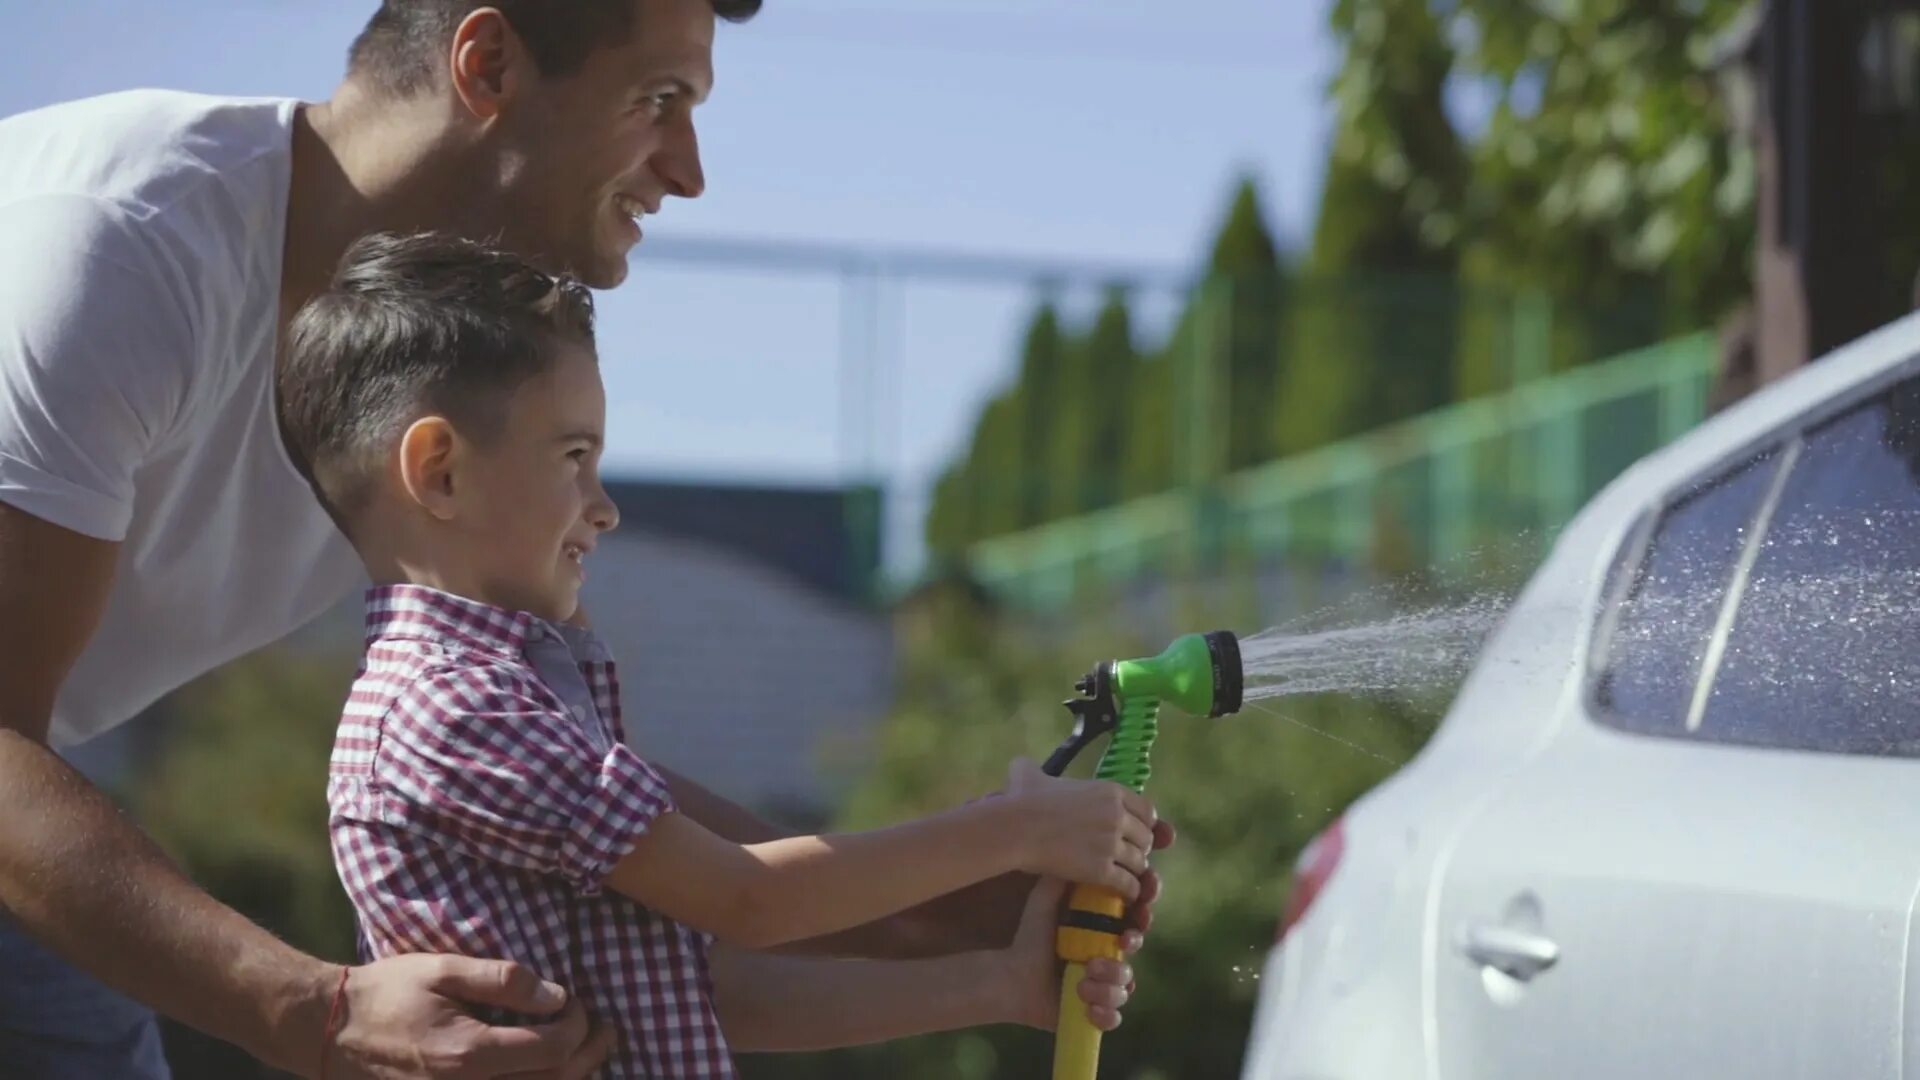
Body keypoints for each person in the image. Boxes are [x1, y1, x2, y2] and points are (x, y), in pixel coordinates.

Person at [0, 1, 1174, 1077]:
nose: (691, 172)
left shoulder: (419, 377)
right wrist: (316, 1008)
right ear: (489, 62)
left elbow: (599, 817)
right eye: (658, 100)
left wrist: (960, 904)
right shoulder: (115, 254)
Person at [287, 229, 1157, 1076]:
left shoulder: (501, 703)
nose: (604, 507)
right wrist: (1011, 830)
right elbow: (753, 898)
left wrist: (996, 982)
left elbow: (691, 995)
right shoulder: (456, 711)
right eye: (574, 456)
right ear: (439, 471)